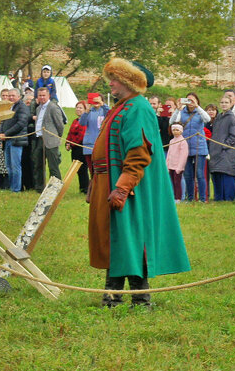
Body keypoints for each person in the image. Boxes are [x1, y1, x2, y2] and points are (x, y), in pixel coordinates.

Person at [88, 58, 189, 307]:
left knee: (132, 239)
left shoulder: (138, 108)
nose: (110, 83)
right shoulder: (123, 106)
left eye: (115, 79)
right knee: (119, 239)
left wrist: (123, 188)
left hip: (129, 188)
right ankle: (113, 296)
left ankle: (140, 299)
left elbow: (139, 153)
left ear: (128, 82)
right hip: (109, 182)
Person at [176, 93, 210, 202]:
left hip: (199, 146)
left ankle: (203, 198)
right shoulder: (182, 112)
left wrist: (197, 107)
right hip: (185, 147)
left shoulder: (199, 112)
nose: (190, 103)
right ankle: (190, 198)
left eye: (193, 100)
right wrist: (177, 109)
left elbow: (207, 119)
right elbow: (173, 122)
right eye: (188, 100)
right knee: (188, 174)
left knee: (199, 173)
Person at [0, 88, 32, 192]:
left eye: (13, 95)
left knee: (15, 166)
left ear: (19, 97)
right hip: (7, 140)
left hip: (16, 140)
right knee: (8, 166)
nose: (11, 97)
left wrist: (6, 134)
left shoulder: (22, 107)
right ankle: (11, 187)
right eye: (9, 95)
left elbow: (21, 123)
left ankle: (16, 189)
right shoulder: (9, 106)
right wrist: (1, 133)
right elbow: (4, 121)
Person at [209, 93, 235, 201]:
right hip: (215, 151)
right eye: (222, 102)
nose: (224, 104)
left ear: (231, 103)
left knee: (226, 175)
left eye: (226, 102)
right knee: (217, 175)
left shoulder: (231, 118)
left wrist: (224, 146)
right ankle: (219, 198)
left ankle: (230, 198)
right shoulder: (218, 117)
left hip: (226, 152)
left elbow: (234, 135)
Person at [32, 87, 66, 190]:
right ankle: (40, 188)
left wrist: (56, 136)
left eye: (44, 95)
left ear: (48, 96)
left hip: (51, 141)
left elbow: (60, 124)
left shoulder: (53, 107)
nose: (42, 97)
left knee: (53, 166)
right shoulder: (38, 108)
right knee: (38, 164)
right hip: (39, 139)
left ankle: (55, 188)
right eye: (40, 95)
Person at [67, 100, 90, 193]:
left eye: (80, 108)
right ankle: (82, 187)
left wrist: (72, 144)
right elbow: (70, 133)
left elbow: (81, 135)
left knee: (83, 168)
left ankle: (86, 188)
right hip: (74, 148)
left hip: (81, 147)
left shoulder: (84, 122)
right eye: (77, 107)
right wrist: (67, 143)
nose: (78, 109)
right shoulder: (75, 121)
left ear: (85, 110)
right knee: (77, 169)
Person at [166, 124, 187, 201]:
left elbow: (183, 155)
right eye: (174, 130)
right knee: (173, 182)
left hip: (178, 166)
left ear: (181, 131)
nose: (175, 132)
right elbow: (169, 154)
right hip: (171, 165)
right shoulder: (171, 141)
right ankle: (174, 196)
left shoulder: (183, 141)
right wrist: (167, 165)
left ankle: (178, 197)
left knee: (177, 182)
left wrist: (180, 167)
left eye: (177, 130)